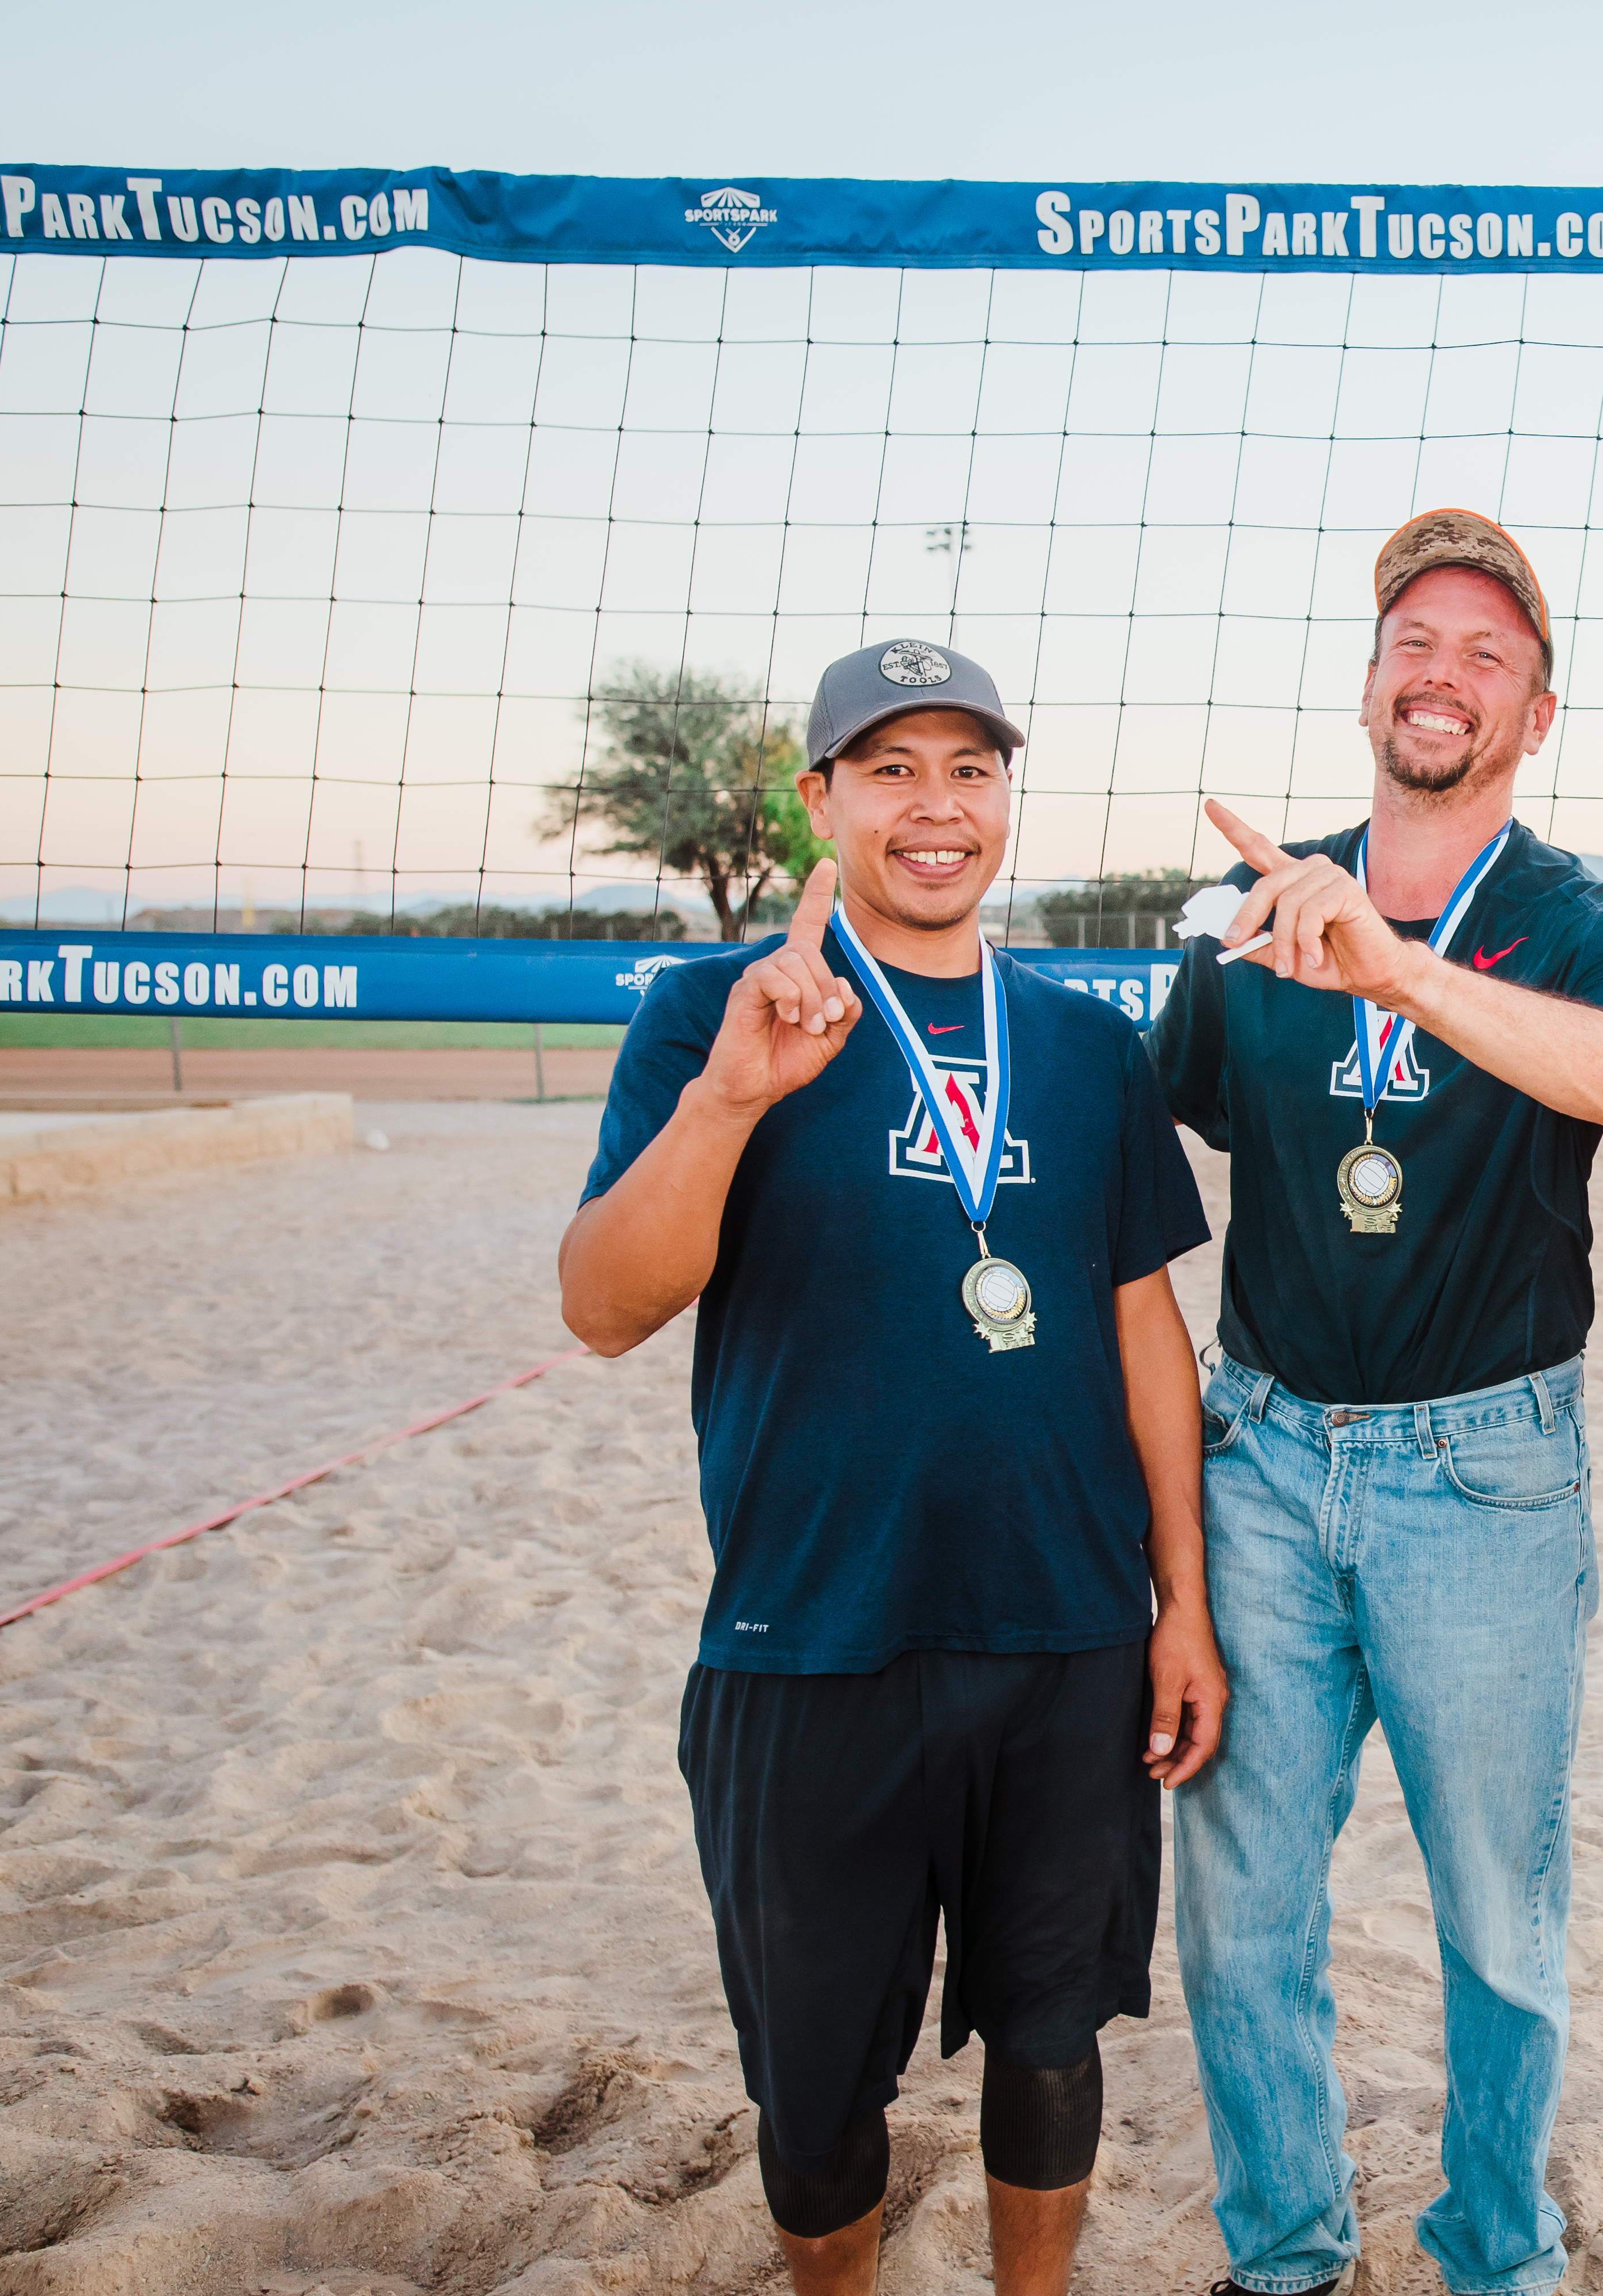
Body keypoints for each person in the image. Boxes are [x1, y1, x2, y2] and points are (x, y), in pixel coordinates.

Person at [557, 637, 1221, 2296]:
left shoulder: (1083, 1048)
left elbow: (1148, 1333)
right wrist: (725, 1101)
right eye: (893, 769)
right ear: (821, 799)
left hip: (1067, 1633)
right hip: (810, 1631)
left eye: (970, 769)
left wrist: (1183, 1605)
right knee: (817, 2083)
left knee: (1055, 2043)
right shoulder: (711, 1017)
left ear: (1007, 795)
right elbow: (601, 1308)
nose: (938, 808)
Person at [1150, 509, 1603, 2296]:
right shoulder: (1256, 907)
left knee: (1497, 1921)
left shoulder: (1577, 914)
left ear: (1536, 714)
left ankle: (1496, 2254)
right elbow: (1185, 1126)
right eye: (1413, 641)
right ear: (1369, 679)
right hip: (1268, 1457)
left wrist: (1395, 966)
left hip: (1488, 1474)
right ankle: (1287, 2255)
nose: (1440, 673)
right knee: (1238, 1917)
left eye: (1487, 653)